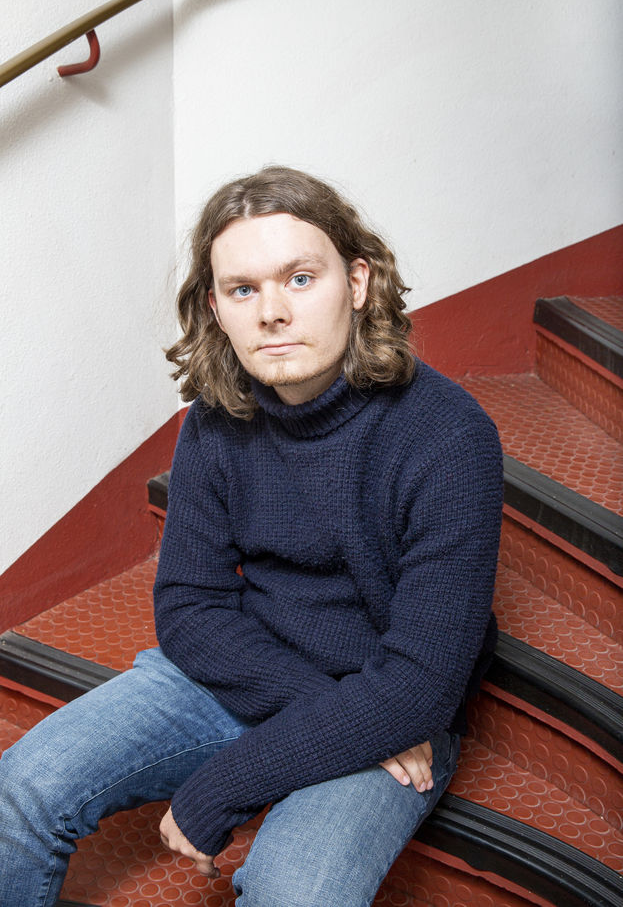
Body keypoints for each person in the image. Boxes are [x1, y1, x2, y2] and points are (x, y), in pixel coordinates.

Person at [0, 166, 503, 906]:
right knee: (21, 788)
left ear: (356, 282)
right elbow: (188, 608)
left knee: (292, 893)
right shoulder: (216, 419)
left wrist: (222, 789)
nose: (272, 312)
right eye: (242, 290)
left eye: (300, 279)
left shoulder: (449, 437)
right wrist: (317, 709)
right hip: (255, 671)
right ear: (216, 307)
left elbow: (417, 686)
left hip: (391, 704)